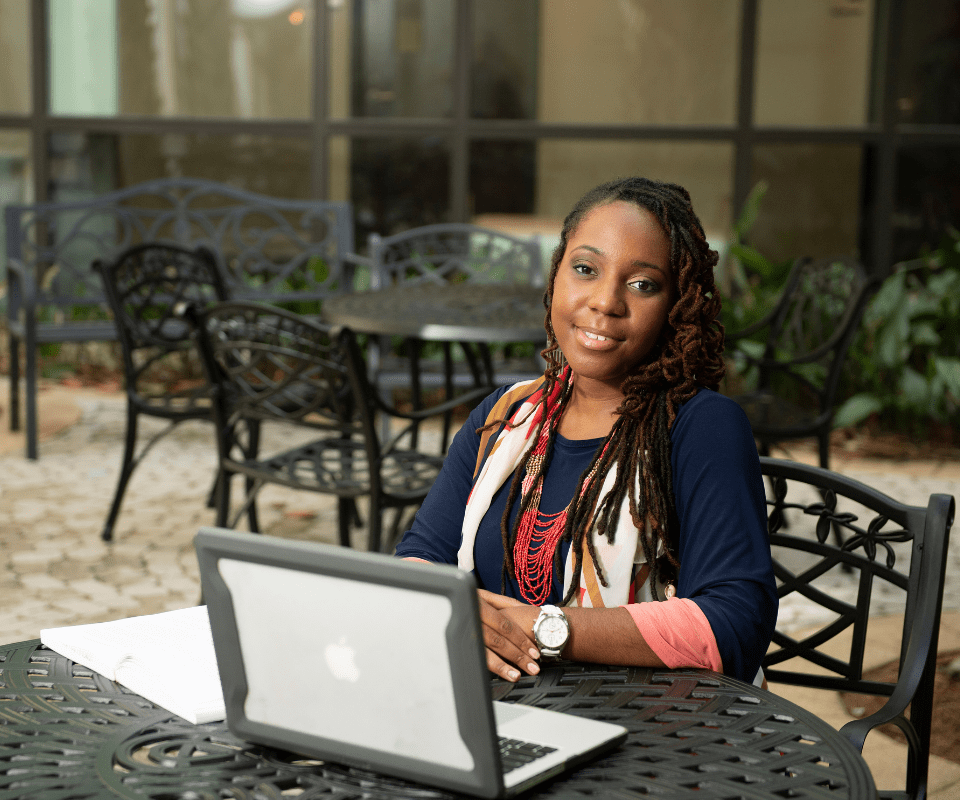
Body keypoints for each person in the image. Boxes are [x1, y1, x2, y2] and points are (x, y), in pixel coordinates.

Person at [395, 176, 777, 686]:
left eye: (643, 284)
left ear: (676, 307)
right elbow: (418, 563)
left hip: (644, 730)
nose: (605, 301)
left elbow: (734, 625)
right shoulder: (506, 415)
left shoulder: (700, 427)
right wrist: (455, 612)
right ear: (557, 277)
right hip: (492, 715)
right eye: (585, 269)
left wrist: (543, 627)